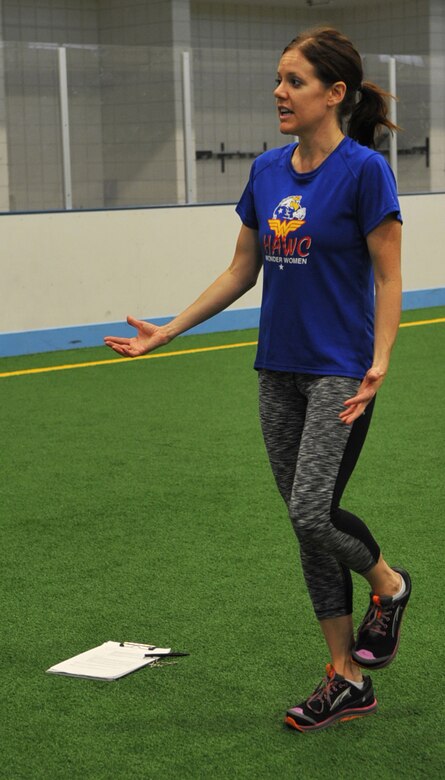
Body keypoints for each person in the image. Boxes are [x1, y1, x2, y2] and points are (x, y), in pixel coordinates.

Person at [104, 26, 411, 733]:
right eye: (278, 78)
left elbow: (390, 273)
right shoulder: (267, 171)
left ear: (333, 93)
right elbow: (242, 269)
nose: (278, 91)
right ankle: (345, 678)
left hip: (341, 369)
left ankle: (388, 586)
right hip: (277, 369)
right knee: (305, 530)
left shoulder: (365, 171)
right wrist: (169, 328)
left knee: (312, 510)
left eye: (294, 80)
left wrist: (381, 358)